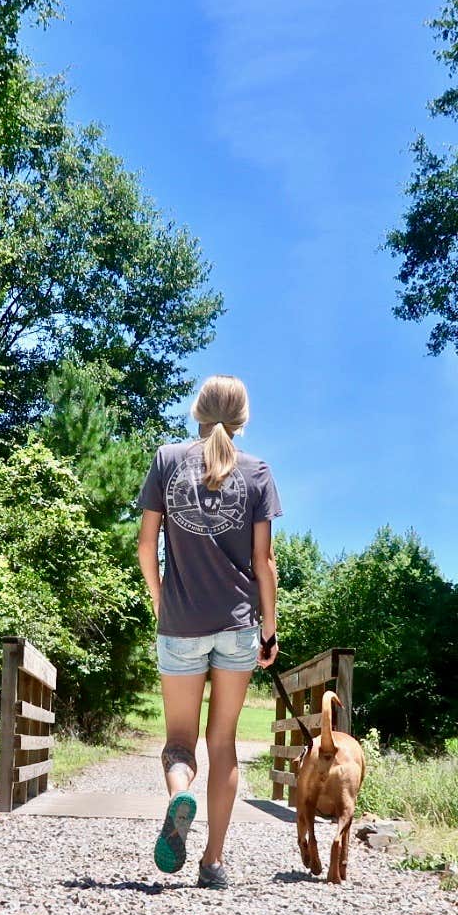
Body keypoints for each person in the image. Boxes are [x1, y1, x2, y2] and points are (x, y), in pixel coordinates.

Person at [135, 374, 280, 889]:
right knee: (224, 743)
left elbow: (145, 546)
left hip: (180, 623)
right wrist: (270, 630)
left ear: (197, 411)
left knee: (180, 741)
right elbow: (263, 562)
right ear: (242, 420)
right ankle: (213, 863)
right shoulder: (258, 472)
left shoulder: (166, 460)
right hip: (238, 625)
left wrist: (162, 602)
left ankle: (179, 795)